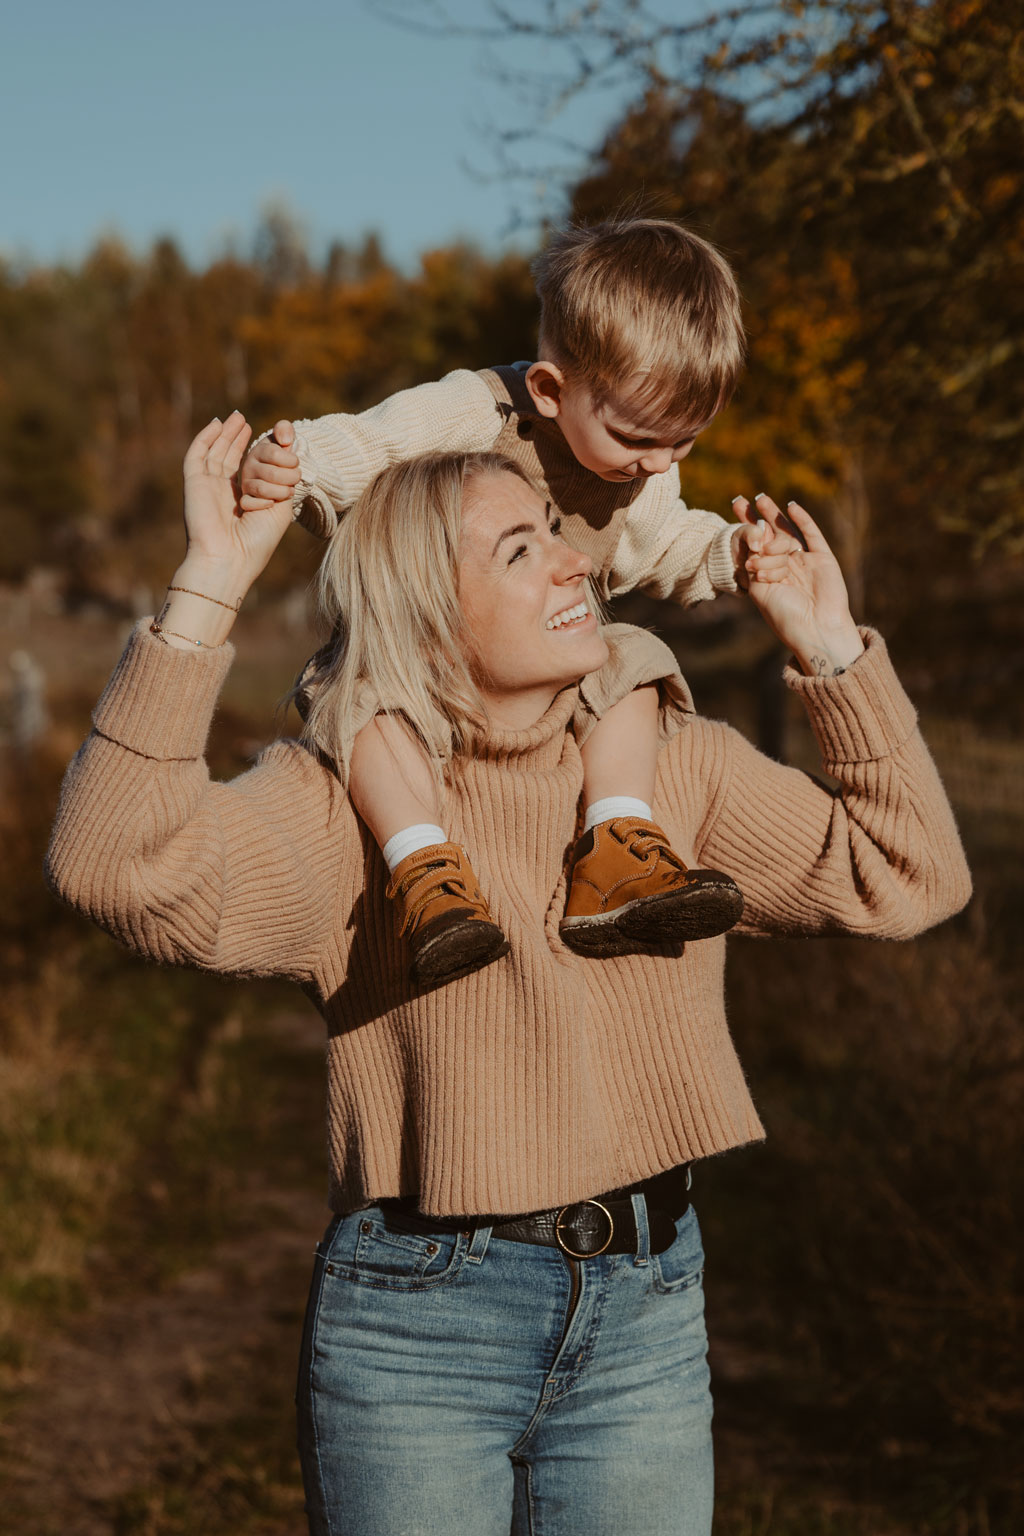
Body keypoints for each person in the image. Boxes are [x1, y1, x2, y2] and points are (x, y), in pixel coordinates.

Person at [46, 415, 971, 1536]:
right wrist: (206, 590)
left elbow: (911, 874)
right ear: (427, 613)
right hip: (417, 1332)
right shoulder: (334, 801)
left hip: (646, 1314)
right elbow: (110, 867)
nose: (575, 559)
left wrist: (831, 652)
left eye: (554, 534)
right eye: (520, 549)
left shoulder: (679, 769)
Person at [240, 218, 802, 984]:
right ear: (549, 388)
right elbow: (366, 447)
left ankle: (616, 839)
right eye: (640, 439)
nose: (660, 462)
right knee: (354, 695)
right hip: (418, 655)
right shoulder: (471, 416)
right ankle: (423, 871)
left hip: (534, 675)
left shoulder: (641, 465)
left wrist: (731, 555)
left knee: (634, 657)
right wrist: (290, 464)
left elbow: (661, 541)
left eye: (685, 442)